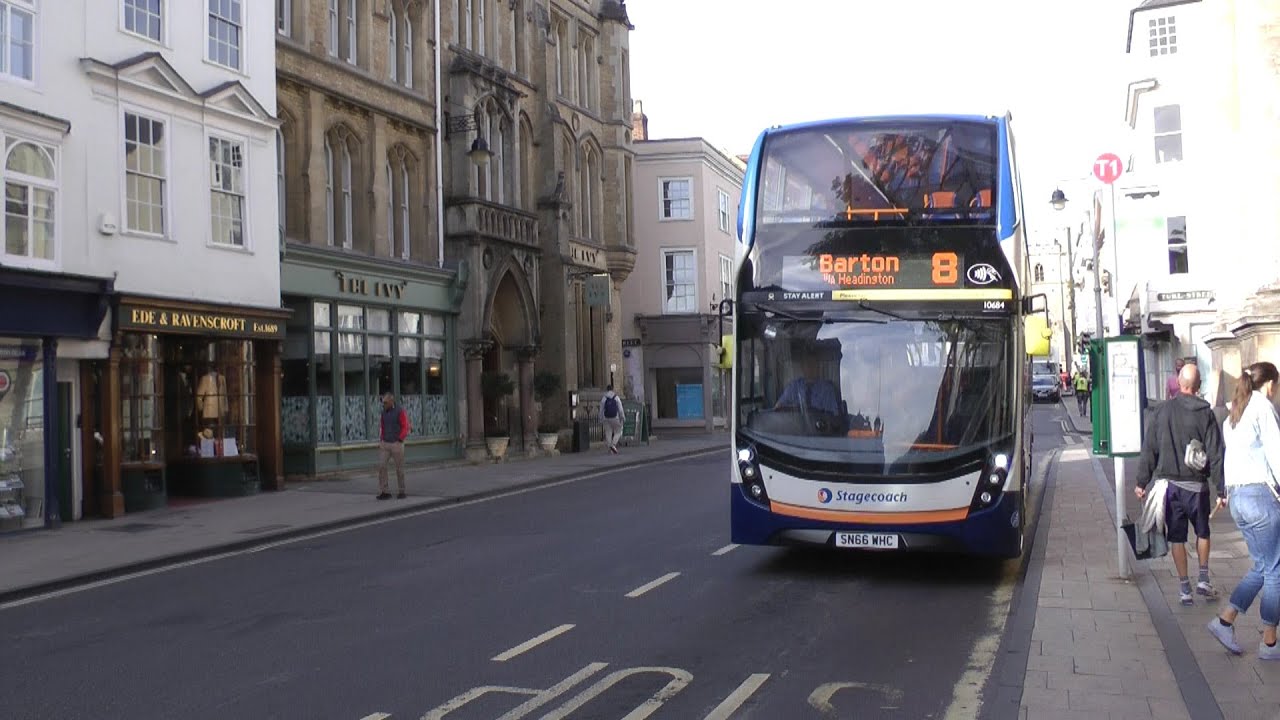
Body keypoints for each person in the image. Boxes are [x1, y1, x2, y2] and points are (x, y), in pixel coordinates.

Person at [1135, 362, 1225, 606]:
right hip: (1197, 488)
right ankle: (1203, 578)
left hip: (1170, 488)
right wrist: (1221, 489)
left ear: (1178, 382)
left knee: (1177, 538)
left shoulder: (1162, 411)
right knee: (1203, 532)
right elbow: (1216, 453)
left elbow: (1149, 448)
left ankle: (1185, 589)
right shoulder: (1205, 413)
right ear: (1198, 386)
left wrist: (1142, 482)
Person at [1207, 362, 1280, 658]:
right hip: (1260, 497)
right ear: (1270, 385)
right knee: (1274, 569)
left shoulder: (1234, 414)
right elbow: (1277, 454)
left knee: (1262, 566)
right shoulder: (1262, 407)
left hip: (1238, 498)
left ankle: (1225, 620)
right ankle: (1270, 642)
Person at [775, 355, 841, 417]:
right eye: (807, 364)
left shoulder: (827, 389)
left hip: (819, 424)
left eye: (813, 364)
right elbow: (778, 407)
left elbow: (833, 415)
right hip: (795, 423)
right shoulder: (794, 386)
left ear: (817, 367)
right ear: (802, 367)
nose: (810, 368)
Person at [376, 393, 410, 499]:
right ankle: (385, 491)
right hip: (385, 443)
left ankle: (402, 491)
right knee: (382, 466)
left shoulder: (400, 411)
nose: (384, 404)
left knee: (399, 468)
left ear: (391, 401)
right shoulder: (383, 413)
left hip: (396, 443)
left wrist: (400, 439)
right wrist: (381, 439)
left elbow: (405, 426)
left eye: (385, 402)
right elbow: (382, 426)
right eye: (383, 403)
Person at [599, 385, 624, 454]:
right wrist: (622, 417)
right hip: (615, 417)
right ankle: (613, 444)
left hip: (606, 418)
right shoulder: (616, 397)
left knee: (608, 432)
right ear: (612, 389)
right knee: (618, 431)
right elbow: (620, 408)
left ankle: (609, 448)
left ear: (607, 390)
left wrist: (600, 418)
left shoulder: (604, 398)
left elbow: (601, 409)